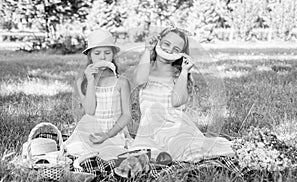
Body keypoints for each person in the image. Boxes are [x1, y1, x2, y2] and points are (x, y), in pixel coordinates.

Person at [130, 27, 234, 162]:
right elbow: (139, 81)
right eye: (166, 44)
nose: (169, 50)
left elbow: (177, 102)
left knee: (187, 150)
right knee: (145, 153)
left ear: (181, 54)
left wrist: (184, 71)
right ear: (158, 42)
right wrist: (147, 50)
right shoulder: (146, 67)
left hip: (174, 126)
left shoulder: (178, 74)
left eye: (176, 49)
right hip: (149, 128)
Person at [64, 29, 132, 160]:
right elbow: (90, 111)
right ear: (90, 56)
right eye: (97, 53)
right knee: (80, 150)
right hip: (90, 129)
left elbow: (127, 115)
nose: (102, 57)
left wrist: (107, 135)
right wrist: (90, 81)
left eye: (107, 53)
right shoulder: (82, 82)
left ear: (113, 55)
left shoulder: (122, 82)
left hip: (114, 131)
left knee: (112, 153)